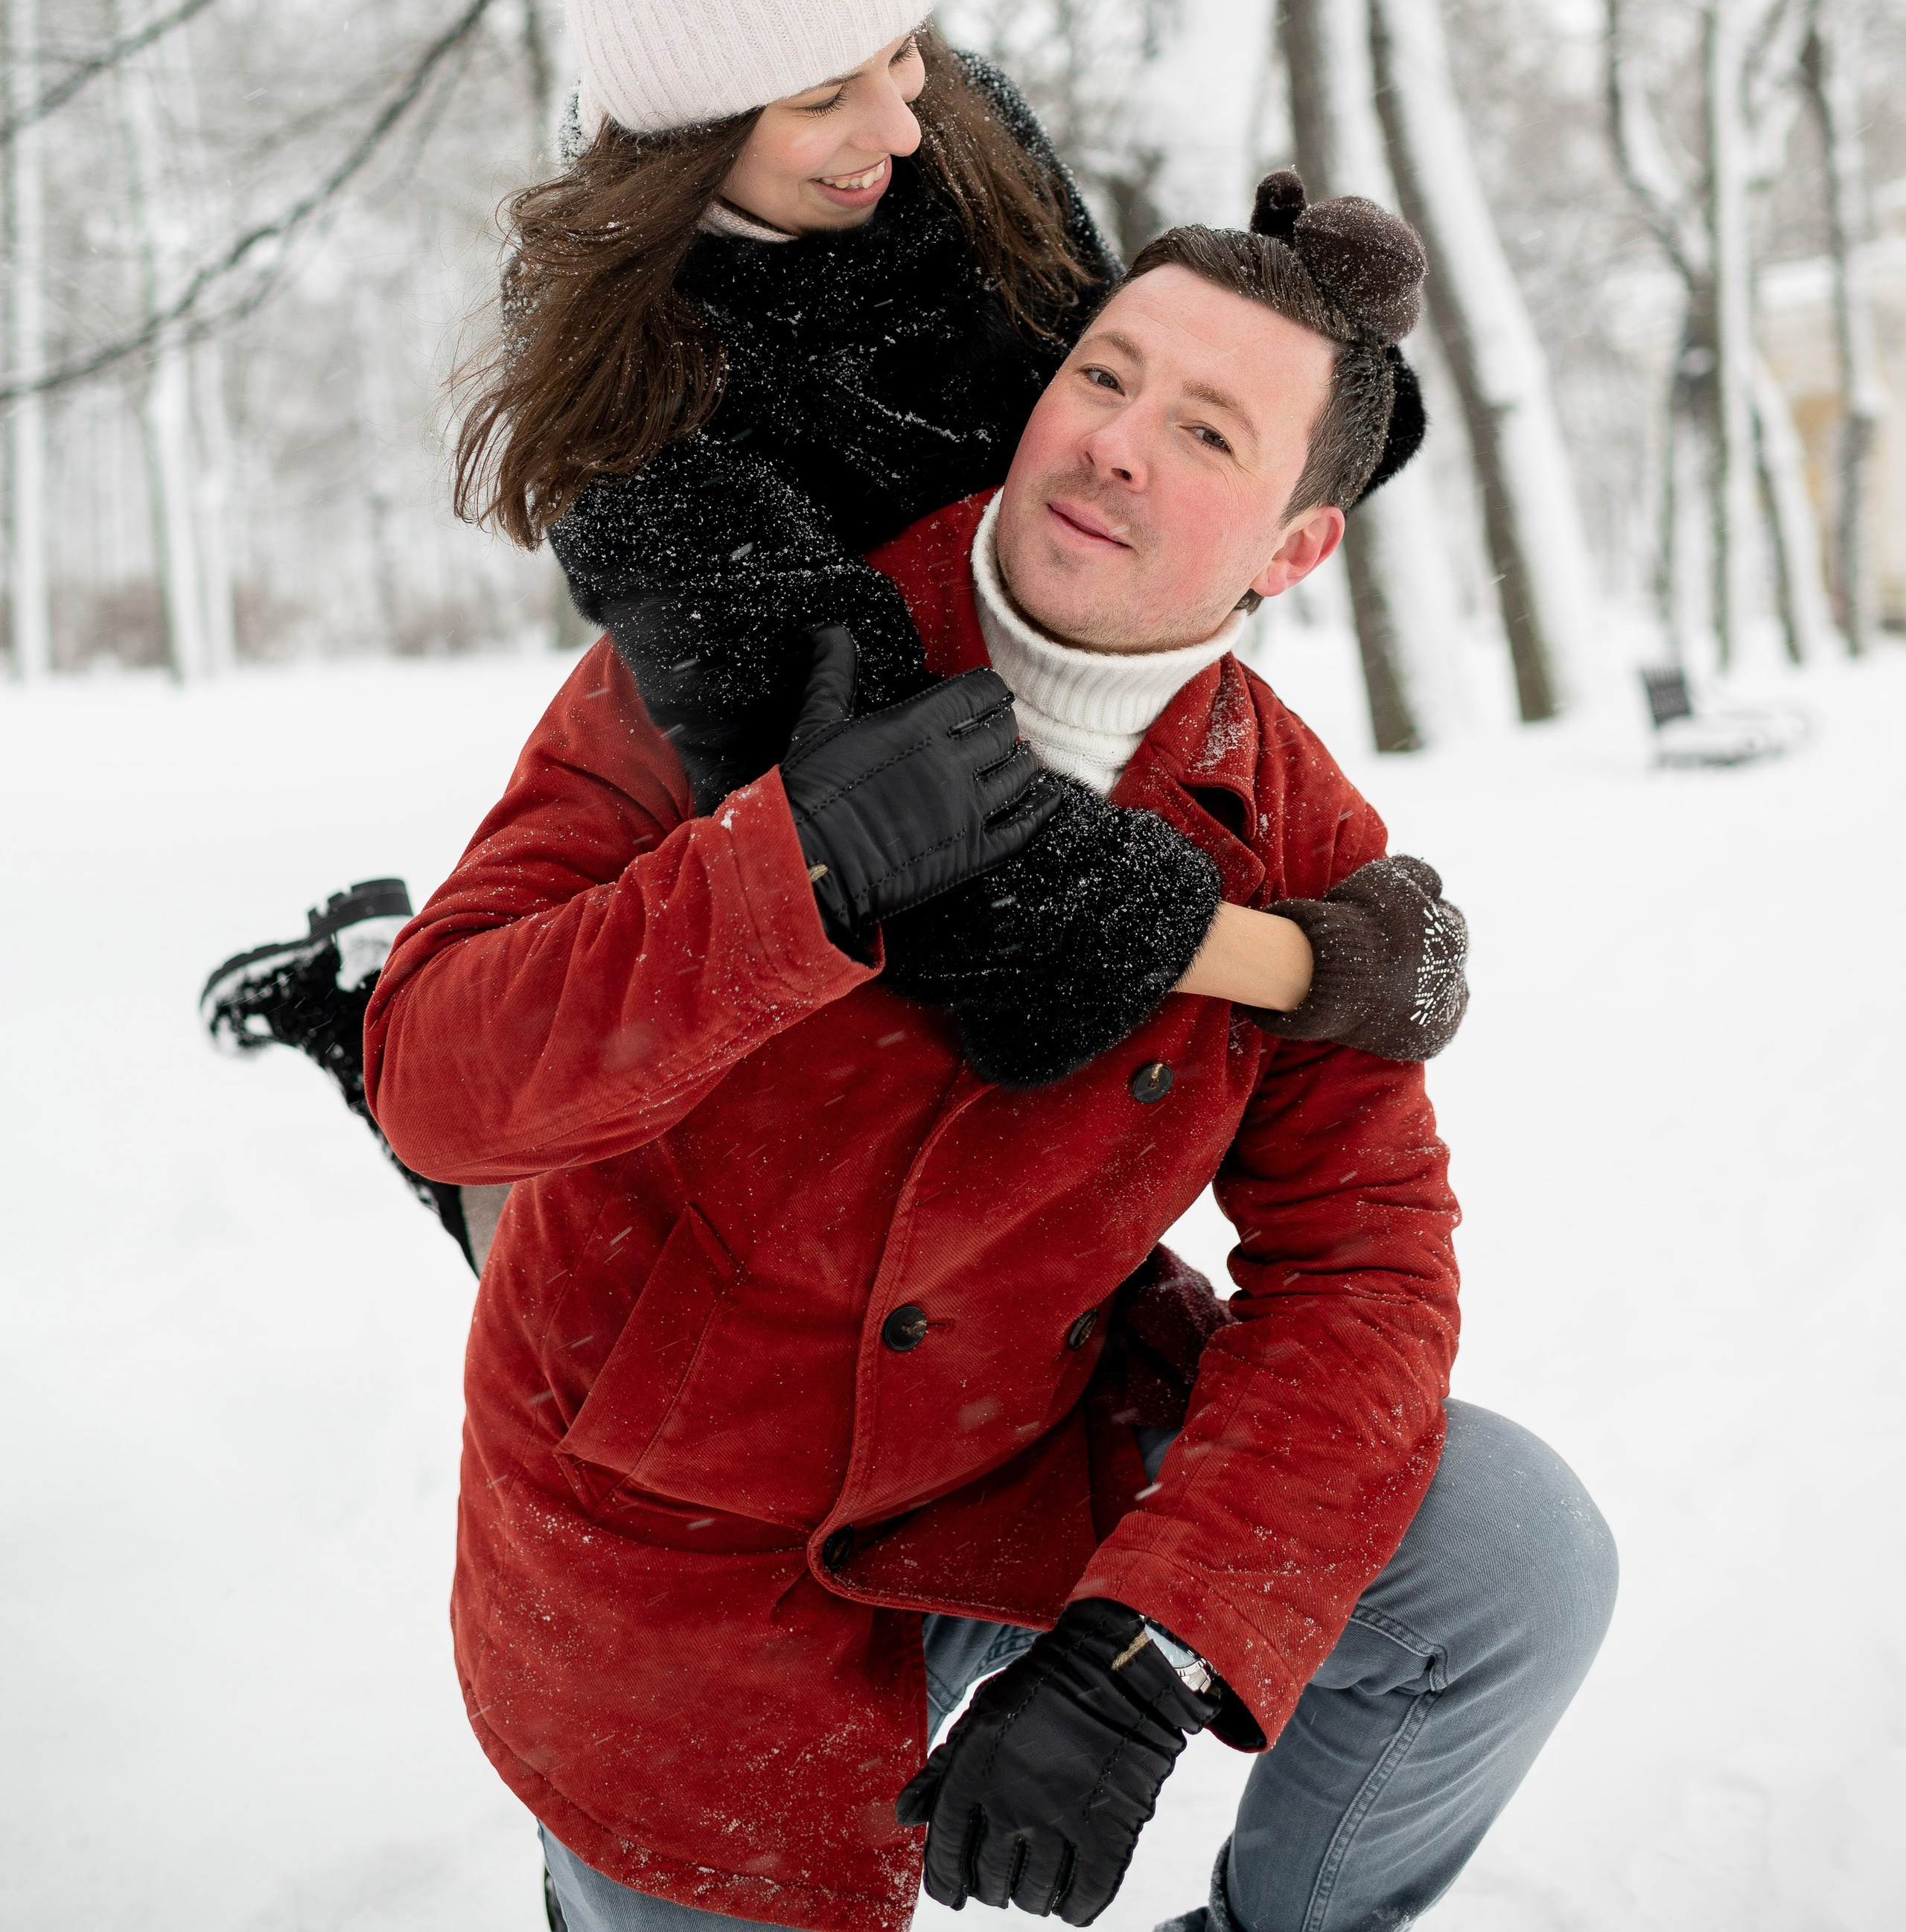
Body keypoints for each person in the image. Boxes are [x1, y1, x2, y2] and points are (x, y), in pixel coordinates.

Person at [363, 178, 1613, 1932]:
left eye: (1202, 428)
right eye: (1103, 376)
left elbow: (1364, 1266)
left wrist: (1151, 1638)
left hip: (1017, 1458)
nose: (1112, 444)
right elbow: (433, 1072)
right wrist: (796, 862)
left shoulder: (1292, 833)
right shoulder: (754, 639)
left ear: (1292, 544)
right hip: (673, 1552)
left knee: (1508, 1557)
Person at [203, 0, 1462, 1259]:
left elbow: (1114, 365)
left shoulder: (952, 128)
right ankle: (370, 1004)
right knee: (626, 1204)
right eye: (823, 97)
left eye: (900, 50)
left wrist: (1306, 370)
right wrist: (1299, 965)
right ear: (685, 127)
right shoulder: (637, 402)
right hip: (771, 757)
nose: (902, 122)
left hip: (1016, 678)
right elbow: (915, 838)